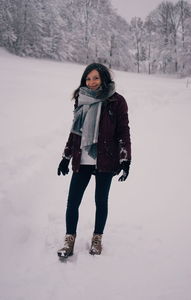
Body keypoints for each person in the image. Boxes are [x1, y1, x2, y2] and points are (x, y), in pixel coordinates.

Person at [57, 63, 131, 258]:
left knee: (101, 201)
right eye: (88, 78)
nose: (91, 82)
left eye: (96, 78)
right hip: (82, 160)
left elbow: (124, 131)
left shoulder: (117, 101)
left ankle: (97, 239)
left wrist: (125, 159)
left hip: (106, 160)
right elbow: (75, 131)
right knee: (72, 202)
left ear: (104, 78)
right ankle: (69, 239)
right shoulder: (81, 99)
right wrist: (65, 157)